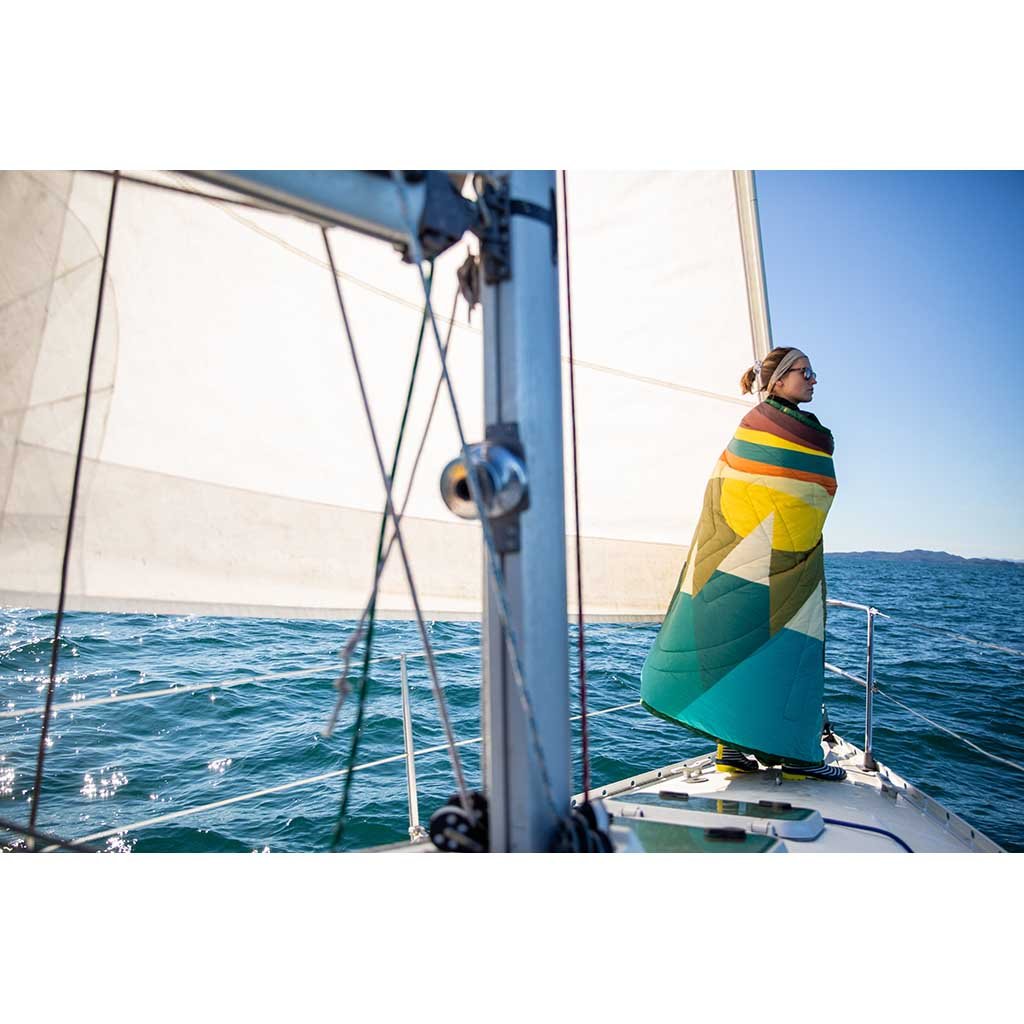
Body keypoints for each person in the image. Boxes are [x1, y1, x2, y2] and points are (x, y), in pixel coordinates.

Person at [640, 346, 846, 781]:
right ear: (779, 380)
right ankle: (800, 758)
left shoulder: (760, 428)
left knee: (735, 632)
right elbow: (735, 490)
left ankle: (731, 749)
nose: (813, 379)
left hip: (748, 558)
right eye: (805, 371)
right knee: (789, 645)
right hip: (776, 559)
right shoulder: (764, 429)